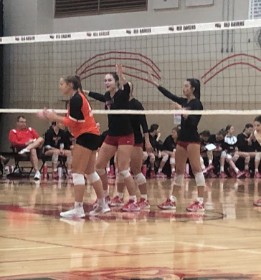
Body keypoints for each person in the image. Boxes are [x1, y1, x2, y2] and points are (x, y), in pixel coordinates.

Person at [39, 75, 105, 218]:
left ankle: (78, 208)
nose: (60, 86)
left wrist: (54, 118)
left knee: (76, 171)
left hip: (86, 136)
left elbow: (72, 123)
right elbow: (71, 121)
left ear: (70, 85)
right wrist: (53, 116)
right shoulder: (77, 98)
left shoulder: (76, 99)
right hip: (92, 135)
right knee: (90, 172)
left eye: (61, 84)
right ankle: (102, 204)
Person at [84, 64, 138, 213]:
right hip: (112, 134)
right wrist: (84, 91)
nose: (107, 82)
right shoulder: (108, 96)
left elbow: (127, 88)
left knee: (123, 169)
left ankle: (133, 200)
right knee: (99, 165)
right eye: (105, 80)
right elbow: (101, 97)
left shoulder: (122, 94)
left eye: (109, 80)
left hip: (126, 135)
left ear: (116, 82)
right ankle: (105, 196)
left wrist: (121, 75)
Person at [150, 76, 207, 212]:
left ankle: (200, 201)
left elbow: (193, 122)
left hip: (192, 139)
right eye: (183, 86)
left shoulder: (197, 104)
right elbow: (170, 95)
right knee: (179, 170)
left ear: (193, 89)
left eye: (186, 86)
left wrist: (181, 110)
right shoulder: (183, 101)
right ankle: (172, 200)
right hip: (182, 140)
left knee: (196, 169)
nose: (184, 88)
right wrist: (157, 86)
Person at [113, 84, 152, 211]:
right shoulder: (119, 103)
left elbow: (144, 125)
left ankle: (144, 199)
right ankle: (119, 196)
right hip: (123, 139)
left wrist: (147, 141)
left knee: (136, 170)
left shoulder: (137, 105)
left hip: (136, 140)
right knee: (120, 168)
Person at [9, 116, 44, 180]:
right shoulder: (13, 132)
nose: (24, 124)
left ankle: (27, 148)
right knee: (32, 150)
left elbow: (37, 139)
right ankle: (37, 171)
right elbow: (14, 143)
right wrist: (25, 143)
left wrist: (32, 142)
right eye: (22, 122)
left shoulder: (30, 130)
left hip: (34, 147)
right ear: (17, 123)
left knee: (41, 139)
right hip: (22, 149)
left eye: (25, 122)